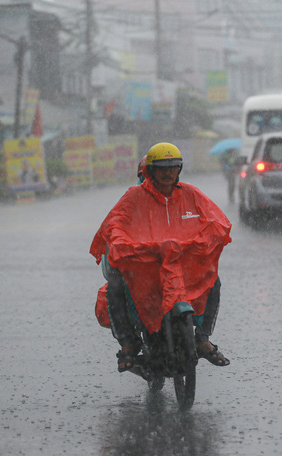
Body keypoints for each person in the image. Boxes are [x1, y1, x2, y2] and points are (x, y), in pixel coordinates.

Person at [90, 143, 231, 372]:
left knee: (213, 280)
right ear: (150, 172)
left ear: (180, 169)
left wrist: (206, 241)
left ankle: (202, 338)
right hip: (143, 265)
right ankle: (128, 343)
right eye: (162, 168)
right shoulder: (135, 195)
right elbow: (115, 223)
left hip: (181, 265)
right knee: (116, 285)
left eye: (173, 167)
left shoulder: (190, 193)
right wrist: (122, 243)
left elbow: (216, 220)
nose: (168, 173)